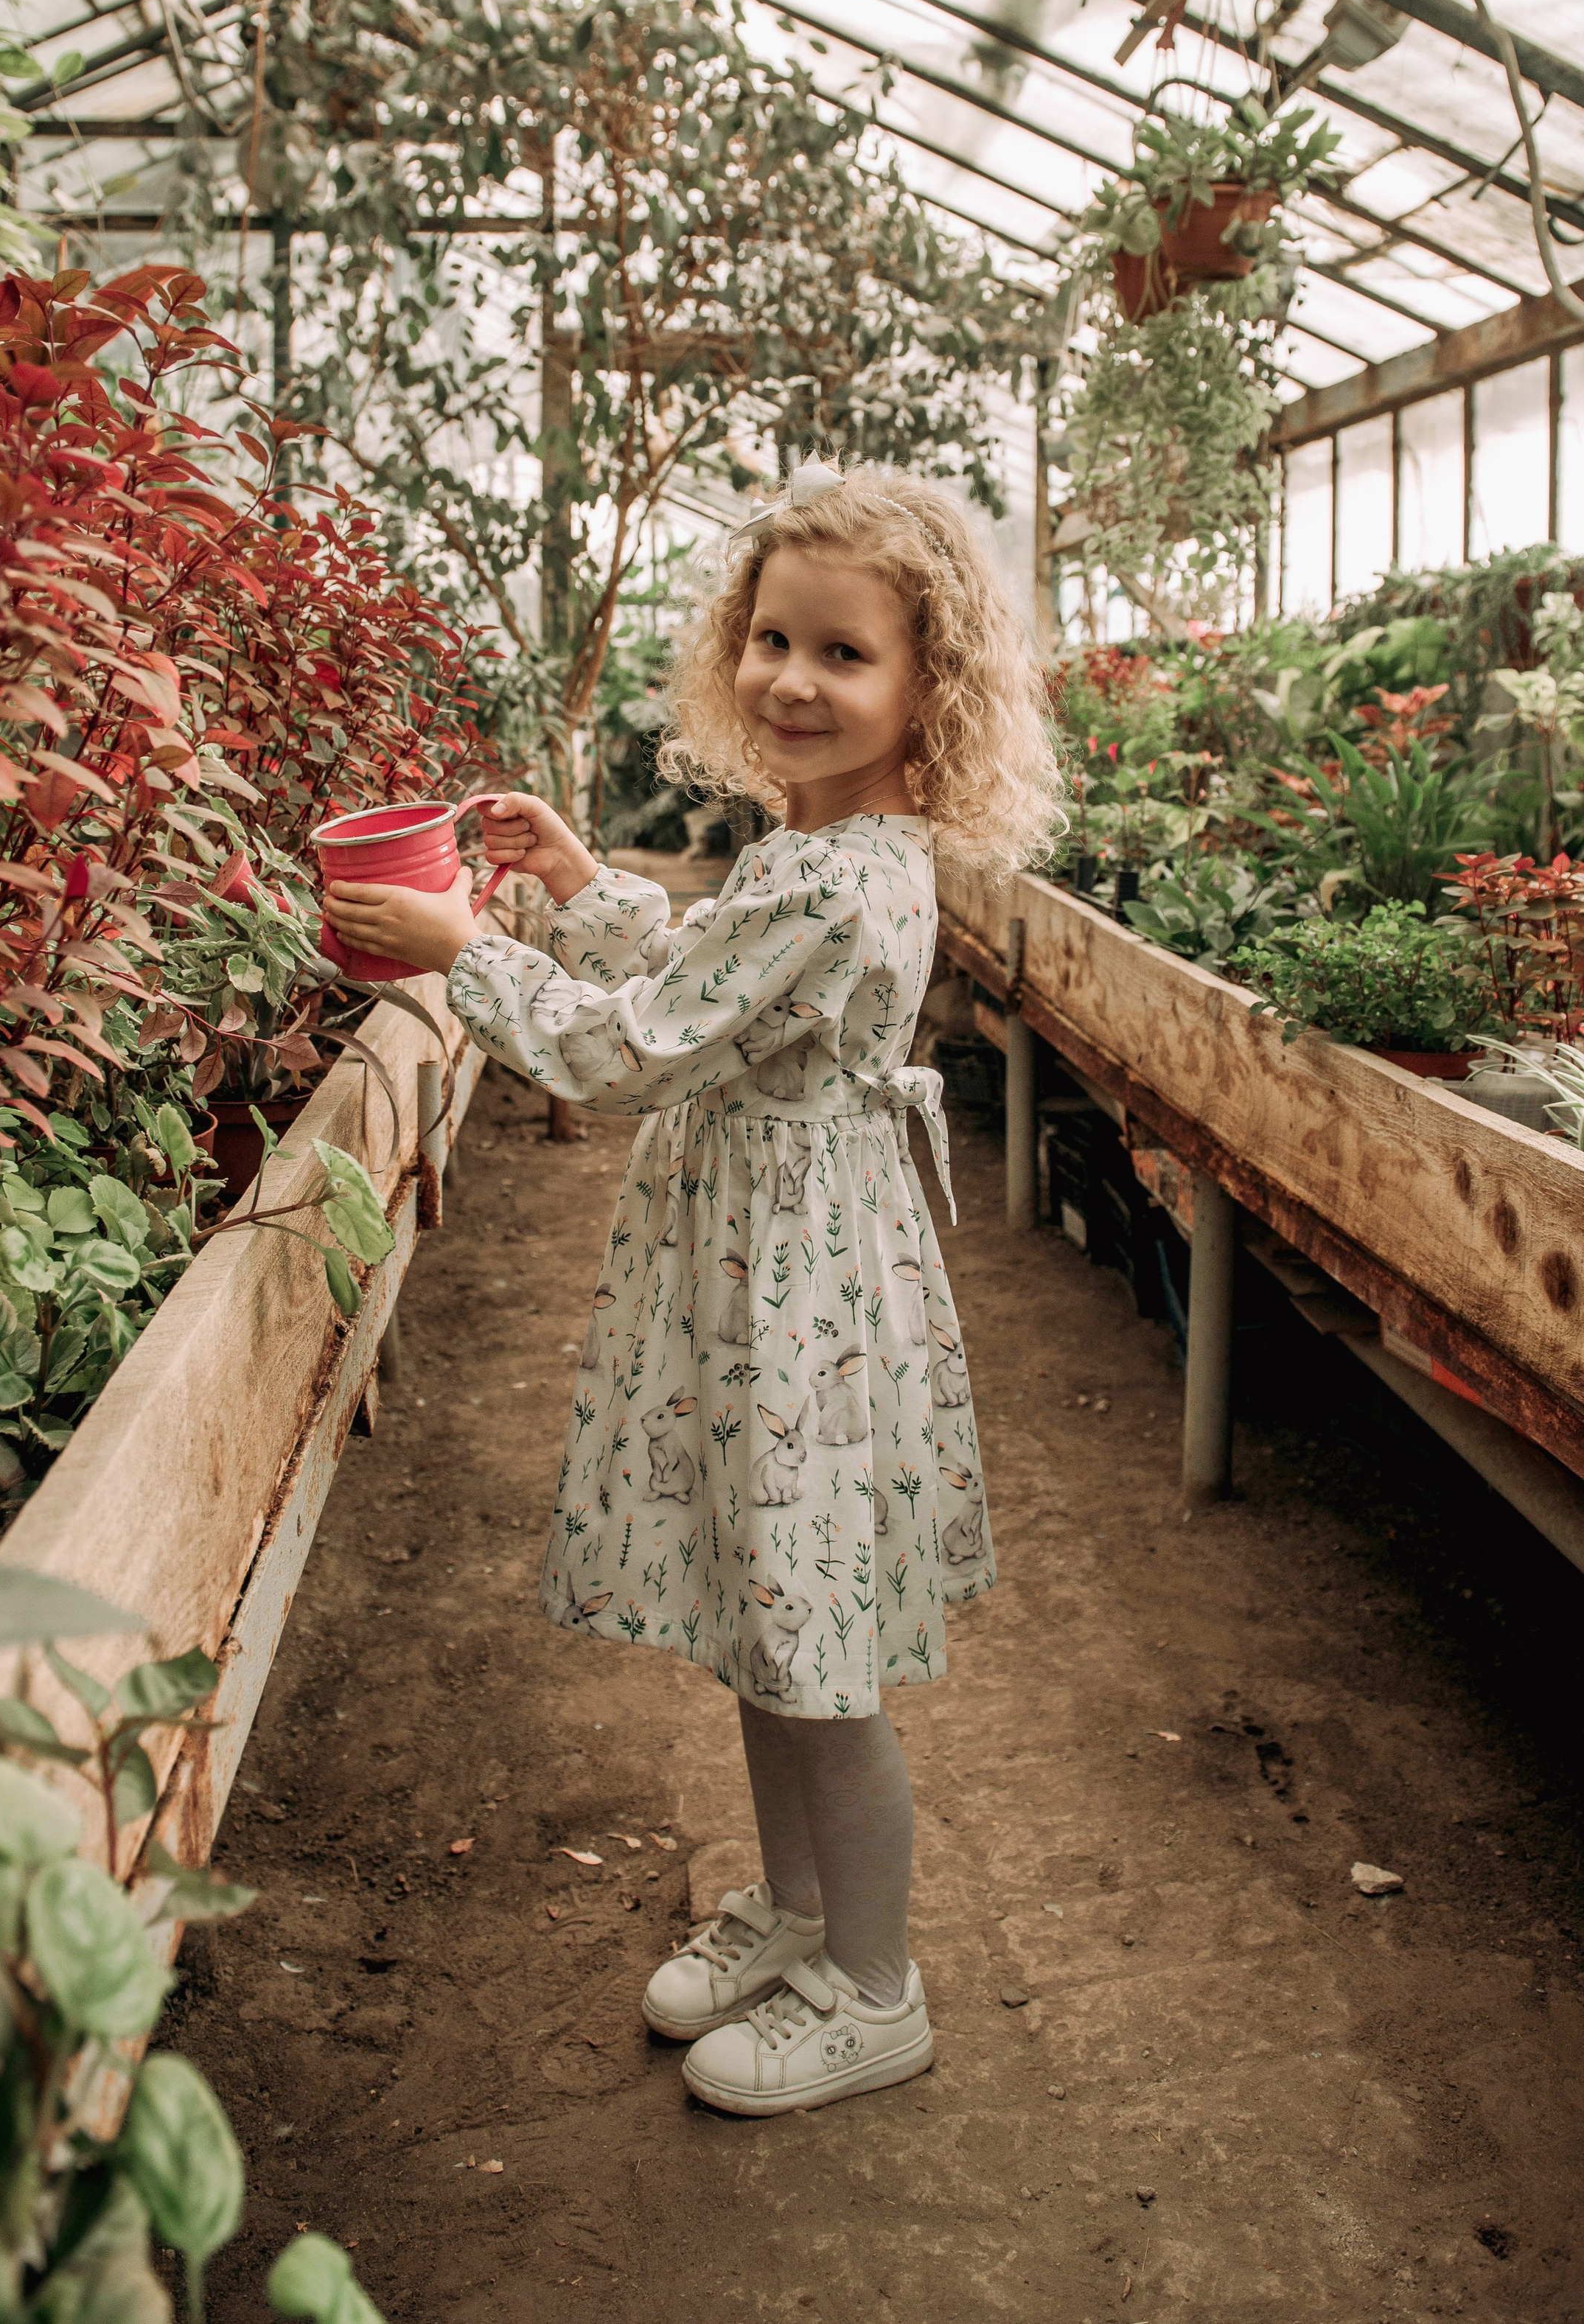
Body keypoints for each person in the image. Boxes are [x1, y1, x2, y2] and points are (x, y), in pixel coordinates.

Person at [324, 459, 1059, 2115]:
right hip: (759, 1272)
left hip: (793, 1287)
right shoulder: (806, 850)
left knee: (817, 1646)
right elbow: (692, 984)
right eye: (771, 638)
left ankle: (877, 1987)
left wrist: (463, 951)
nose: (791, 680)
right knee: (763, 1613)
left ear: (929, 684)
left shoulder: (842, 873)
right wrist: (584, 883)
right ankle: (799, 1918)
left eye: (845, 654)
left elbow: (634, 1050)